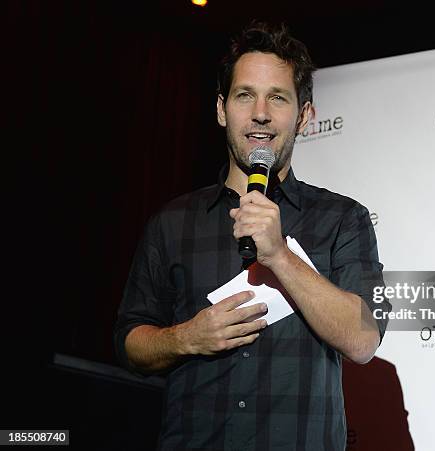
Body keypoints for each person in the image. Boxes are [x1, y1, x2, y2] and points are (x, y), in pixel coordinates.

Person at [114, 22, 391, 451]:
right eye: (245, 95)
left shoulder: (342, 219)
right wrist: (185, 337)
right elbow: (131, 344)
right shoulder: (172, 222)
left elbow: (362, 340)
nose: (260, 112)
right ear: (222, 109)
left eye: (277, 98)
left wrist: (280, 254)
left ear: (304, 115)